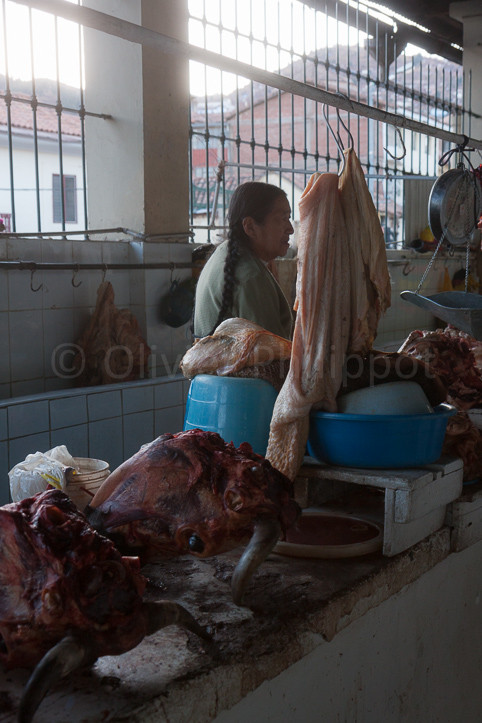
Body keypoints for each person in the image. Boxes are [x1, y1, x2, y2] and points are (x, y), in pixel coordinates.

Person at [193, 181, 295, 339]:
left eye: (289, 218)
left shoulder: (225, 253)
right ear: (250, 227)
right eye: (282, 219)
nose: (290, 229)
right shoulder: (251, 276)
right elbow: (271, 355)